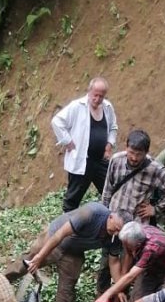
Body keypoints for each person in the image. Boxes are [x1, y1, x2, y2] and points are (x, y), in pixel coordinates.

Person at [17, 202, 130, 302]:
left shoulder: (116, 237)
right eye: (116, 229)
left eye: (119, 232)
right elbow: (59, 235)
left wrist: (119, 289)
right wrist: (40, 256)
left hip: (74, 253)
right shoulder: (91, 213)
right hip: (53, 239)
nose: (116, 233)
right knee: (24, 265)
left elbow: (113, 263)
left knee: (66, 292)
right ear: (111, 217)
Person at [51, 78, 118, 212]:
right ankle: (67, 224)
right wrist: (67, 141)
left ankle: (111, 221)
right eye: (95, 95)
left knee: (112, 192)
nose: (97, 99)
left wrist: (109, 144)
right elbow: (56, 121)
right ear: (89, 92)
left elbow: (113, 127)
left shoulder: (107, 107)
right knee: (73, 198)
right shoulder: (77, 106)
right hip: (82, 160)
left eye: (101, 96)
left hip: (101, 160)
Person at [95, 220, 165, 302]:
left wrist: (107, 294)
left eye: (128, 246)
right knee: (136, 298)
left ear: (137, 245)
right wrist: (120, 287)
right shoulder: (135, 231)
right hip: (152, 266)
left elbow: (131, 276)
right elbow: (128, 256)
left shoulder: (151, 248)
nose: (125, 247)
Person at [101, 129, 165, 222]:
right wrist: (104, 214)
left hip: (137, 222)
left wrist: (155, 209)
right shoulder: (116, 160)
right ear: (126, 147)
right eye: (131, 152)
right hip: (114, 216)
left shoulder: (154, 168)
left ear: (146, 152)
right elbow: (107, 189)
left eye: (139, 154)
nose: (134, 158)